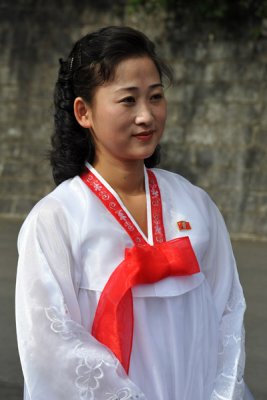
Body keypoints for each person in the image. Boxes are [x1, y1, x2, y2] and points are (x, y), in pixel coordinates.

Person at [16, 26, 254, 400]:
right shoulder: (57, 219)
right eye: (128, 100)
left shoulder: (195, 203)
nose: (146, 115)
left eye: (156, 97)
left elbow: (228, 314)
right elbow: (51, 349)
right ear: (84, 112)